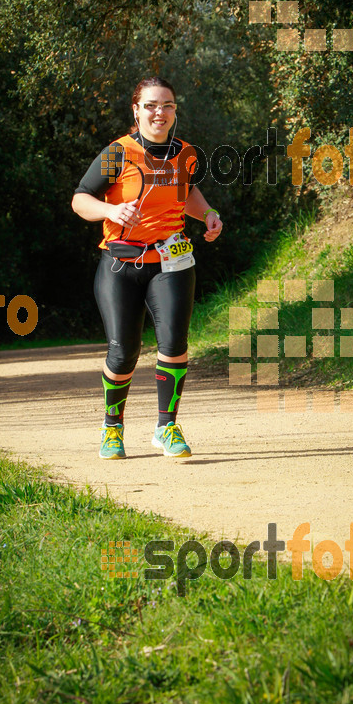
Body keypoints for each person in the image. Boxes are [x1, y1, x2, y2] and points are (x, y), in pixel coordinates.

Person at [71, 76, 223, 460]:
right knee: (123, 352)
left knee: (174, 344)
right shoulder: (117, 153)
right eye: (152, 105)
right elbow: (80, 199)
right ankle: (112, 428)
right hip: (120, 264)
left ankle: (166, 427)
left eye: (168, 105)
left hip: (171, 262)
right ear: (136, 110)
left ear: (175, 110)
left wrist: (207, 214)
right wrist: (110, 209)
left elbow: (186, 192)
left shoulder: (187, 153)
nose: (160, 112)